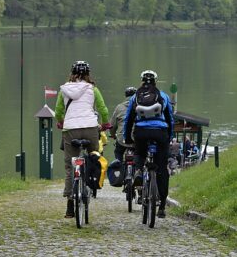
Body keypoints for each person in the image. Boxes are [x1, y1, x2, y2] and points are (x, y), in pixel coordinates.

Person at [55, 60, 110, 218]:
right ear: (88, 74)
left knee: (69, 165)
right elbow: (102, 108)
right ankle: (91, 184)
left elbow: (58, 110)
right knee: (94, 156)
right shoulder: (93, 89)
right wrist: (105, 123)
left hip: (70, 129)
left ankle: (70, 205)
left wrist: (60, 121)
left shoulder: (64, 89)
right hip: (90, 128)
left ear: (72, 74)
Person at [123, 70, 174, 218]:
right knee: (162, 169)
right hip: (160, 133)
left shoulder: (135, 97)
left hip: (141, 132)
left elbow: (128, 119)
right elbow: (170, 119)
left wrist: (127, 138)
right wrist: (169, 137)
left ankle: (138, 171)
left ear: (141, 81)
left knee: (139, 153)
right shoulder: (163, 96)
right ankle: (162, 206)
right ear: (156, 81)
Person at [109, 87, 137, 162]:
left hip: (122, 139)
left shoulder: (119, 107)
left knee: (118, 152)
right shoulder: (140, 107)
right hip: (137, 139)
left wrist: (113, 135)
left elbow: (112, 125)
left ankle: (119, 167)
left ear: (125, 96)